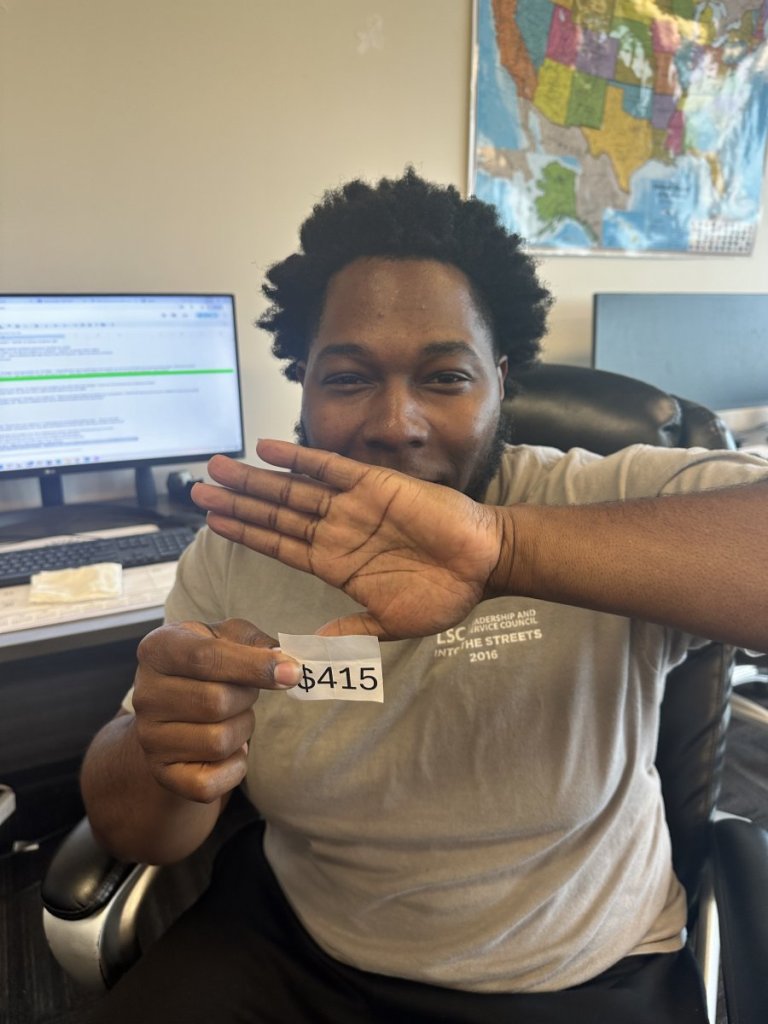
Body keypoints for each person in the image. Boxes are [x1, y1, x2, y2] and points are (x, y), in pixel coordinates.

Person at [81, 169, 768, 1023]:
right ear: (303, 385)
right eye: (348, 378)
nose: (395, 425)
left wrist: (505, 548)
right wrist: (162, 748)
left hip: (573, 972)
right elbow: (138, 835)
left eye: (445, 378)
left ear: (501, 381)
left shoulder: (599, 503)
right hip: (303, 945)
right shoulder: (239, 547)